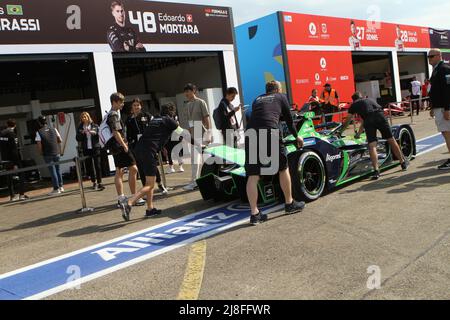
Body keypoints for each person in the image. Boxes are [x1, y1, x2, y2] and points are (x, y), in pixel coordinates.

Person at [119, 104, 201, 221]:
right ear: (171, 113)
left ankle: (150, 209)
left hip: (138, 150)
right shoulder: (169, 120)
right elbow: (185, 134)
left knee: (149, 182)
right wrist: (198, 145)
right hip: (148, 152)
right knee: (150, 184)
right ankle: (129, 202)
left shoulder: (155, 119)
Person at [245, 81, 306, 226]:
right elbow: (289, 120)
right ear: (278, 89)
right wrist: (297, 136)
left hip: (251, 133)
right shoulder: (280, 96)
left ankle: (254, 214)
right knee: (282, 168)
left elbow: (258, 115)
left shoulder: (257, 99)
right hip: (270, 131)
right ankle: (289, 204)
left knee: (253, 175)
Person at [341, 92, 409, 180]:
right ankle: (402, 163)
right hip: (380, 116)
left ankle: (376, 171)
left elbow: (348, 121)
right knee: (391, 140)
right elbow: (365, 119)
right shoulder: (370, 99)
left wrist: (342, 131)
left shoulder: (354, 105)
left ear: (353, 100)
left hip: (369, 120)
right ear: (362, 97)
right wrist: (358, 133)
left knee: (372, 145)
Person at [107, 92, 144, 207]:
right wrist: (124, 145)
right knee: (133, 168)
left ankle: (121, 198)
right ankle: (134, 197)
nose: (123, 104)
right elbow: (115, 132)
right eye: (121, 102)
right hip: (119, 146)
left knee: (119, 171)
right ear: (114, 102)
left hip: (114, 147)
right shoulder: (114, 115)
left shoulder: (110, 114)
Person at [125, 98, 168, 195]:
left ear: (141, 106)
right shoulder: (129, 120)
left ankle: (160, 184)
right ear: (132, 107)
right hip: (137, 147)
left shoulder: (147, 116)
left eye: (138, 105)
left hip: (149, 145)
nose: (136, 107)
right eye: (134, 105)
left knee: (152, 165)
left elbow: (155, 128)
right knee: (141, 168)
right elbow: (127, 135)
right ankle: (146, 188)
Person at [177, 83, 212, 191]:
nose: (186, 93)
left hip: (202, 133)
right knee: (194, 160)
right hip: (193, 135)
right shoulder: (187, 105)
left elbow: (206, 118)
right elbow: (189, 122)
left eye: (188, 91)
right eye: (185, 91)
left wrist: (209, 133)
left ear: (194, 91)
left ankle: (207, 180)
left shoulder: (201, 102)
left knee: (208, 158)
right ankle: (194, 182)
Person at [428, 49, 450, 170]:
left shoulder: (444, 69)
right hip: (439, 107)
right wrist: (432, 107)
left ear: (439, 56)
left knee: (447, 133)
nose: (429, 59)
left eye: (431, 56)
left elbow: (447, 90)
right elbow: (434, 91)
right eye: (428, 57)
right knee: (445, 133)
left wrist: (447, 109)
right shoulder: (436, 70)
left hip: (444, 108)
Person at [0, 119, 29, 201]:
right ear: (15, 125)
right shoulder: (12, 134)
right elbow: (14, 148)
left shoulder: (2, 133)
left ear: (7, 124)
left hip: (5, 159)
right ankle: (21, 194)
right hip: (13, 158)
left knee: (9, 177)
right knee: (22, 175)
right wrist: (16, 162)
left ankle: (12, 196)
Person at [36, 116, 64, 196]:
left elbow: (39, 144)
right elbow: (60, 140)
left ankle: (56, 188)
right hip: (56, 152)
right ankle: (61, 187)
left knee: (52, 171)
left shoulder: (39, 132)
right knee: (58, 169)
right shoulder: (54, 129)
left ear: (39, 123)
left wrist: (41, 152)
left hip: (47, 154)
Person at [76, 112, 104, 191]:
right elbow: (77, 138)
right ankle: (94, 182)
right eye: (82, 117)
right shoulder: (80, 127)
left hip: (95, 148)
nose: (84, 118)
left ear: (88, 117)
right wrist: (82, 133)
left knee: (97, 165)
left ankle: (99, 182)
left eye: (85, 117)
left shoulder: (94, 125)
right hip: (86, 149)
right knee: (89, 166)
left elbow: (99, 134)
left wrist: (94, 133)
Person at [165, 103, 185, 174]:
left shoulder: (175, 117)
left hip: (176, 136)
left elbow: (178, 126)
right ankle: (171, 167)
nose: (170, 111)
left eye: (171, 109)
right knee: (169, 152)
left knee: (178, 151)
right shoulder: (165, 117)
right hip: (168, 137)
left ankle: (180, 166)